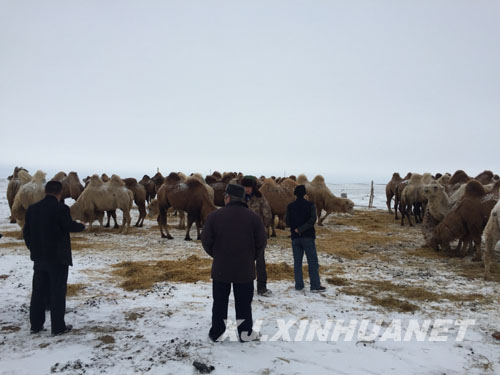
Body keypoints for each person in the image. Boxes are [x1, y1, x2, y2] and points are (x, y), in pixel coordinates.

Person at [201, 184, 267, 342]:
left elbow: (206, 241)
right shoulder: (254, 217)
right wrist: (251, 257)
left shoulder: (214, 216)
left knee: (220, 302)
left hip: (221, 268)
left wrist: (217, 255)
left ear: (228, 198)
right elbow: (261, 242)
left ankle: (216, 333)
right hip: (245, 269)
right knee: (244, 303)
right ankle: (245, 333)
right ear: (243, 198)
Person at [23, 180, 85, 335]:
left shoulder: (32, 209)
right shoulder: (61, 209)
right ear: (59, 193)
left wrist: (34, 248)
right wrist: (82, 226)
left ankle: (35, 326)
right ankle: (58, 327)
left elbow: (26, 232)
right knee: (57, 291)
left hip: (39, 258)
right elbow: (68, 226)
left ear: (45, 191)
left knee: (38, 292)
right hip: (58, 258)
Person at [285, 185, 326, 292]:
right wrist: (301, 229)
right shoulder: (310, 205)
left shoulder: (290, 206)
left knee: (297, 263)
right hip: (308, 237)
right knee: (312, 262)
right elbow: (313, 220)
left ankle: (299, 285)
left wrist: (296, 228)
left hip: (295, 238)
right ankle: (315, 285)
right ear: (305, 194)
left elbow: (287, 222)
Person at [241, 175, 272, 297]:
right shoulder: (239, 199)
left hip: (257, 236)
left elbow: (267, 215)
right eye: (244, 186)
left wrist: (262, 229)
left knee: (260, 262)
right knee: (244, 262)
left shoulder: (260, 198)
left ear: (253, 187)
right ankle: (244, 286)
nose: (246, 189)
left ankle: (262, 287)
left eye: (248, 187)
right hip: (242, 236)